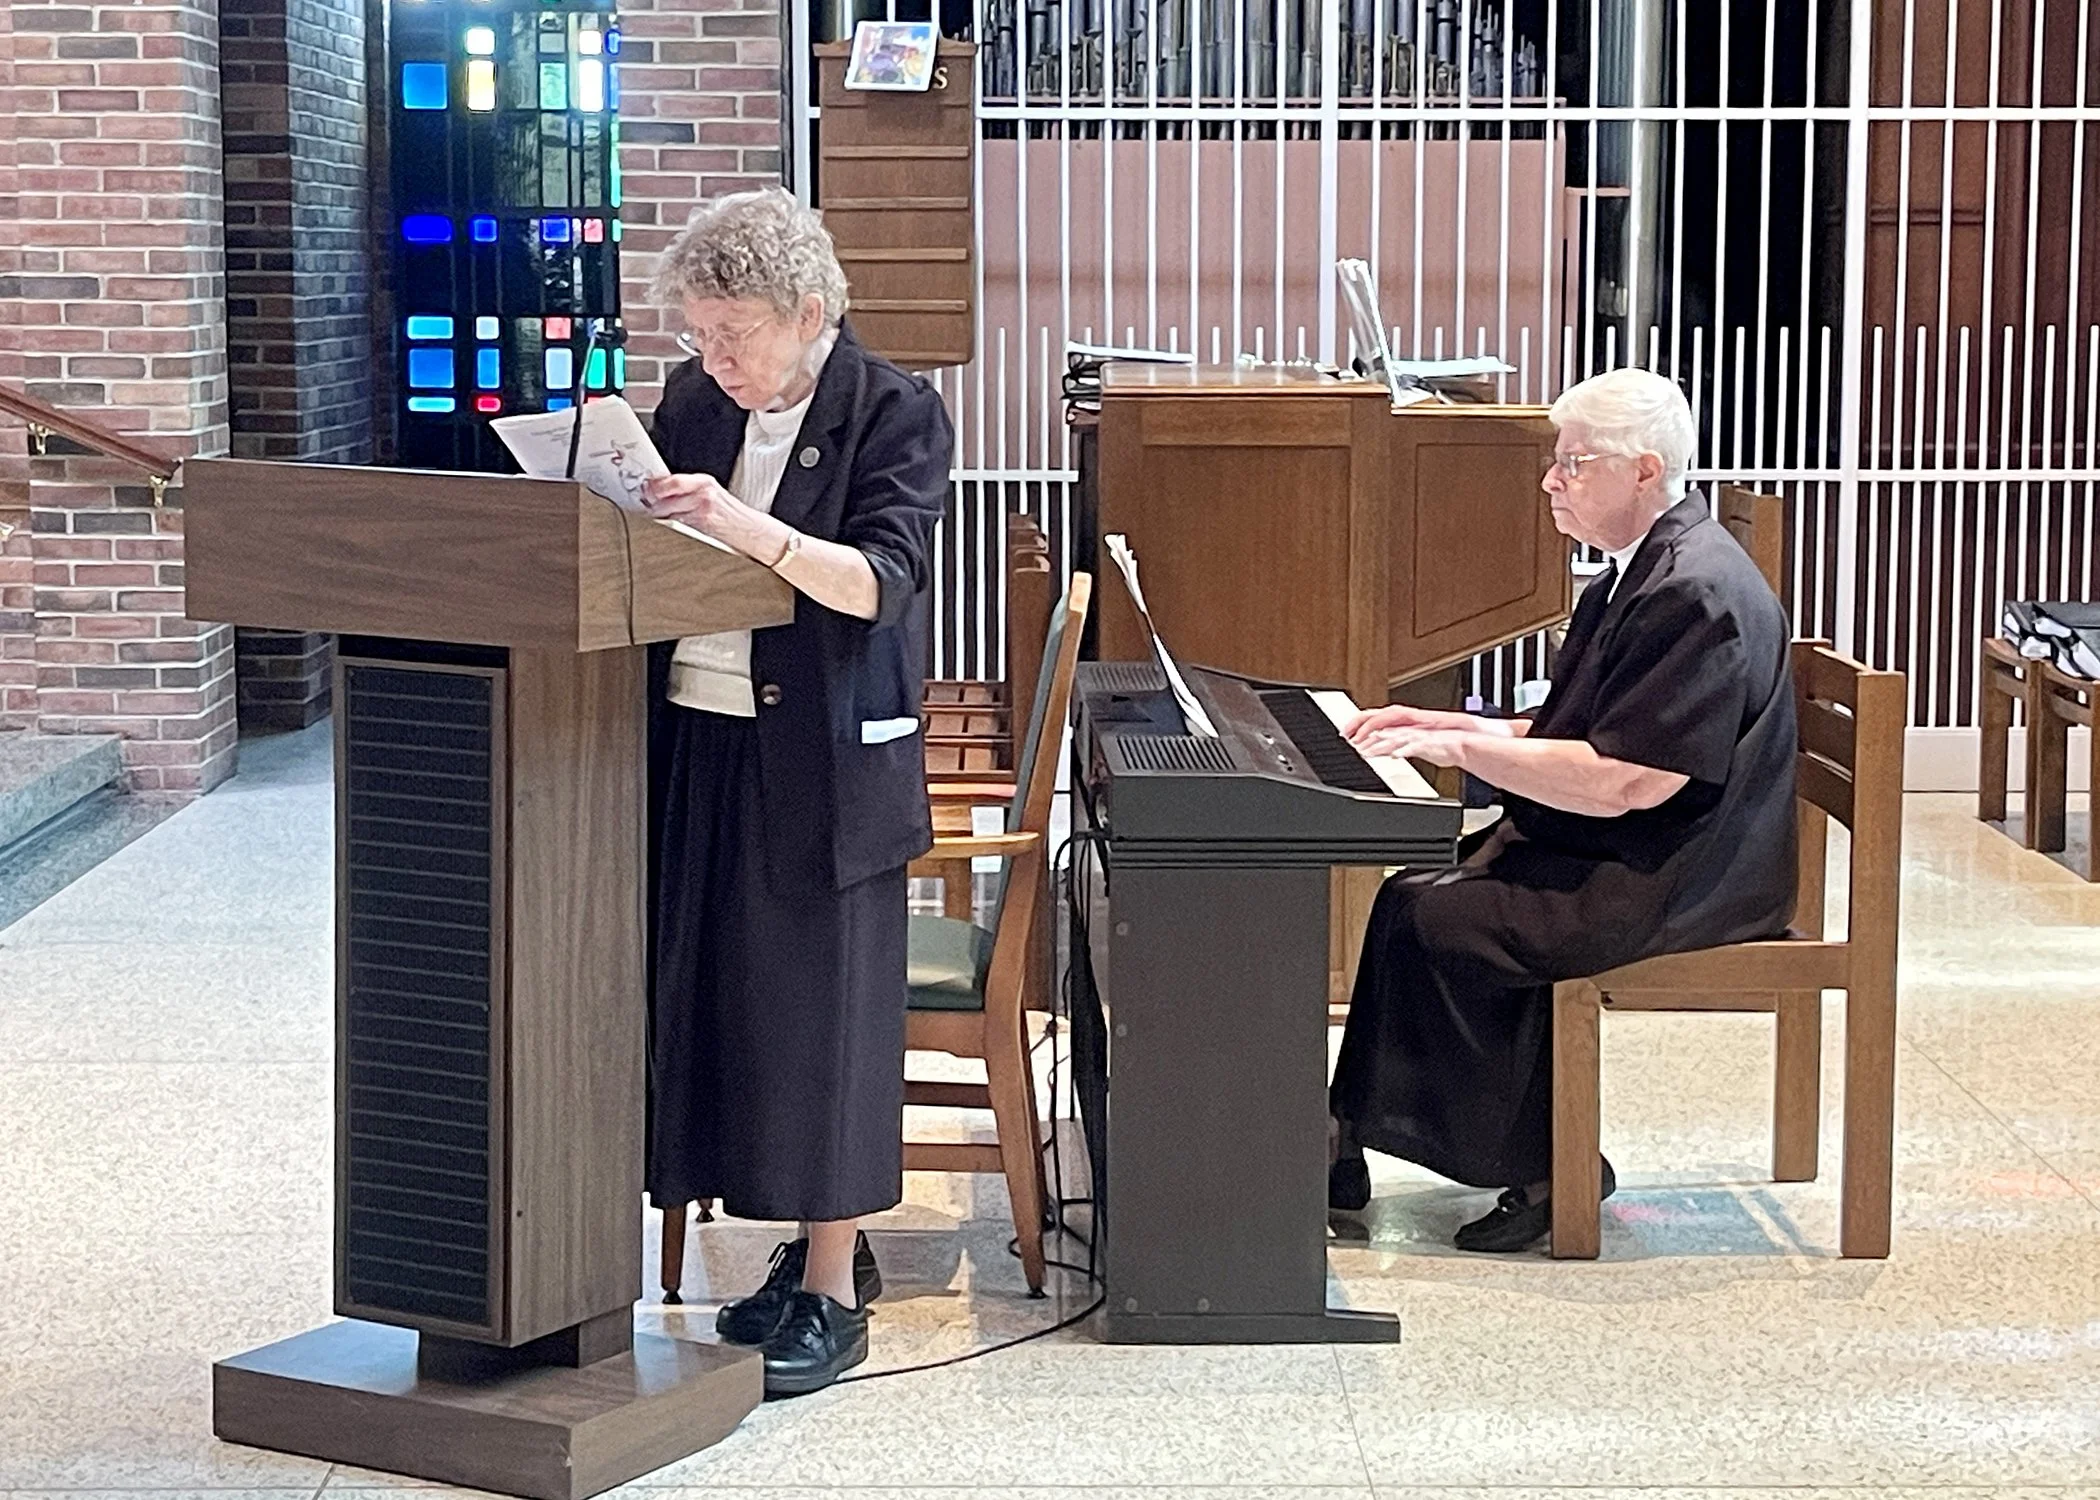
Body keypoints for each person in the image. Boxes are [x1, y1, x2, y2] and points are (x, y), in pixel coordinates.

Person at [1329, 366, 1798, 1253]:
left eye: (1575, 463)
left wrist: (1464, 750)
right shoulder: (1639, 570)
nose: (1552, 480)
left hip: (1683, 873)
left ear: (1645, 472)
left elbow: (1634, 779)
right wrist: (1445, 721)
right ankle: (1343, 1140)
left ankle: (1551, 1169)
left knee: (1443, 915)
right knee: (1409, 898)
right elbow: (1578, 727)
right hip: (1646, 846)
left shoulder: (1691, 591)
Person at [640, 188, 952, 1393]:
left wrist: (743, 529)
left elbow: (882, 583)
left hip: (827, 757)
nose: (714, 363)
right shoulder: (689, 402)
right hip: (696, 743)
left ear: (810, 311)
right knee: (715, 1003)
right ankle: (791, 1244)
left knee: (824, 1023)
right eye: (700, 337)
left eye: (735, 336)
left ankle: (831, 1282)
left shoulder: (895, 409)